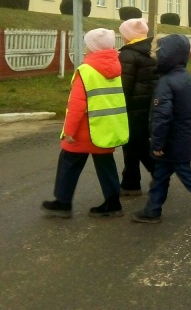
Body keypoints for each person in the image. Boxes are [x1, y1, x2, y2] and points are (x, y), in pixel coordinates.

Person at [132, 34, 191, 231]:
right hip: (181, 136)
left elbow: (162, 116)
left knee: (187, 175)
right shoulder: (186, 78)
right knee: (160, 175)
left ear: (168, 55)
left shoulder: (166, 82)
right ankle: (152, 210)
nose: (155, 55)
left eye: (158, 52)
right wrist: (190, 130)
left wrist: (157, 143)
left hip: (171, 141)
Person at [41, 28, 129, 218]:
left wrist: (69, 131)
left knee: (69, 162)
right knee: (106, 165)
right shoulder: (115, 68)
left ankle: (63, 202)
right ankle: (113, 203)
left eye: (87, 44)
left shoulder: (86, 70)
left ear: (92, 48)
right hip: (104, 128)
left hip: (83, 129)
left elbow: (77, 105)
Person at [118, 17, 157, 196]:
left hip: (133, 107)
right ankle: (130, 182)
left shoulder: (128, 55)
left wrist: (120, 106)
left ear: (128, 36)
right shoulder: (152, 51)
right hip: (150, 104)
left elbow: (124, 85)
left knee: (136, 143)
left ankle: (157, 173)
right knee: (135, 142)